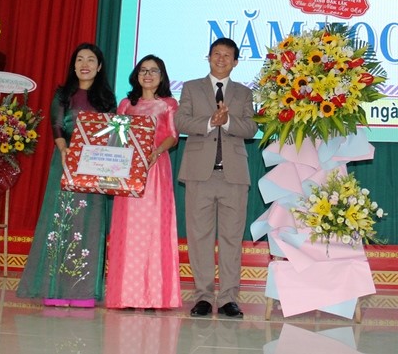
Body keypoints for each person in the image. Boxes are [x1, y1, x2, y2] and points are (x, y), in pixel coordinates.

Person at [17, 42, 117, 307]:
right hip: (66, 162)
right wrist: (65, 150)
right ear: (74, 66)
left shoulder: (107, 98)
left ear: (99, 67)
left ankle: (84, 291)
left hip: (95, 166)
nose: (85, 64)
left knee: (90, 223)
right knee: (61, 221)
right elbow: (57, 125)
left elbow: (112, 133)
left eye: (91, 60)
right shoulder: (63, 94)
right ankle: (55, 289)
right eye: (80, 60)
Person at [174, 37, 257, 318]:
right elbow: (181, 122)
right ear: (208, 57)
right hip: (200, 174)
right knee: (200, 237)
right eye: (216, 54)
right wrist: (211, 122)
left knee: (232, 238)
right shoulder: (191, 88)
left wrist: (229, 122)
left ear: (235, 62)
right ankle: (204, 297)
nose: (221, 59)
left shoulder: (244, 93)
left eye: (227, 56)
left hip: (233, 175)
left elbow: (251, 128)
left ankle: (229, 298)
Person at [106, 55, 181, 310]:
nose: (148, 75)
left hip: (155, 170)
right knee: (127, 231)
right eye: (143, 70)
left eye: (154, 71)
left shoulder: (168, 104)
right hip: (128, 171)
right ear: (137, 75)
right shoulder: (126, 104)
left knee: (153, 231)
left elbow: (173, 136)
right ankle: (126, 295)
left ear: (162, 77)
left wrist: (156, 152)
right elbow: (115, 137)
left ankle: (155, 296)